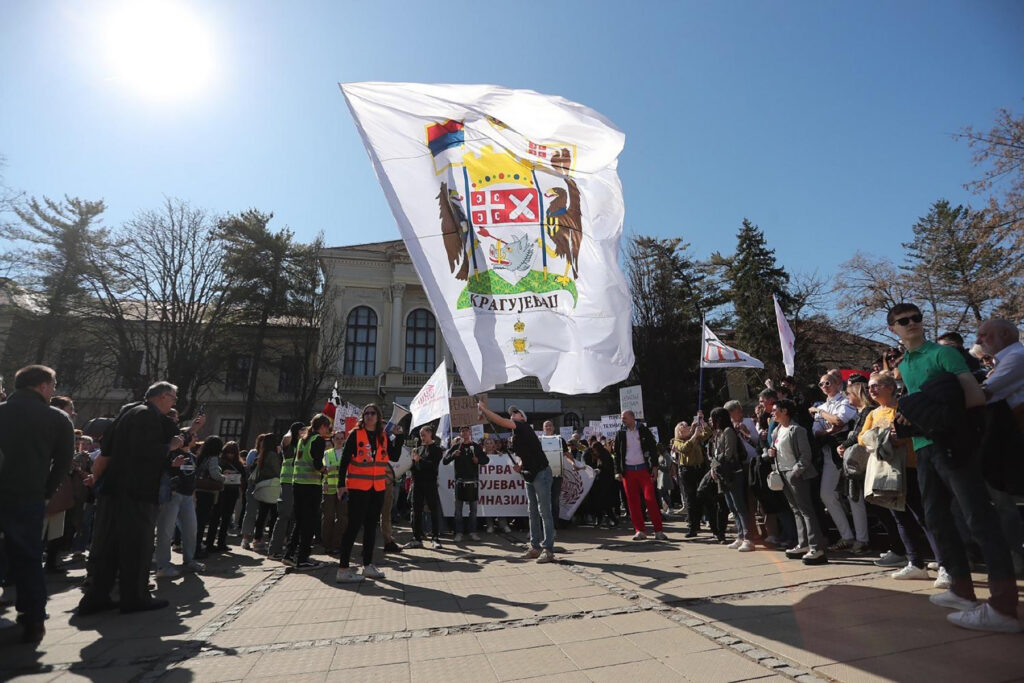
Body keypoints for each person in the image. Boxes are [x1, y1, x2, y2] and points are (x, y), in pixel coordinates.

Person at [888, 303, 1019, 632]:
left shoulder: (943, 355)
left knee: (979, 518)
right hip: (924, 446)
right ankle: (961, 590)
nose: (913, 323)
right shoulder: (905, 365)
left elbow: (973, 398)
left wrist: (917, 410)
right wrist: (907, 419)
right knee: (937, 518)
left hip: (953, 445)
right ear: (893, 329)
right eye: (904, 321)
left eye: (917, 318)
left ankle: (1004, 606)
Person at [78, 381, 184, 616]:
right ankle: (134, 597)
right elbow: (147, 452)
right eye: (174, 398)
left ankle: (96, 597)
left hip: (114, 491)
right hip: (136, 492)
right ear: (163, 397)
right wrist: (171, 445)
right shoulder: (147, 417)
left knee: (109, 546)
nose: (175, 402)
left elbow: (108, 449)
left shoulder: (128, 412)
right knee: (137, 546)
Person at [0, 365, 74, 642]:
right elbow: (63, 462)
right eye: (53, 384)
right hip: (28, 496)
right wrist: (46, 491)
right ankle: (32, 619)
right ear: (42, 386)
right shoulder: (56, 418)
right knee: (29, 557)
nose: (54, 389)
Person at [975, 318, 1024, 575]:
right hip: (1004, 438)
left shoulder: (1016, 356)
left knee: (1004, 502)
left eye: (984, 335)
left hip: (1013, 437)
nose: (978, 341)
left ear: (1005, 334)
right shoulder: (1004, 360)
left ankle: (1015, 560)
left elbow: (986, 393)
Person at [478, 402, 556, 563]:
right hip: (529, 474)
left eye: (516, 413)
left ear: (523, 418)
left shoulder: (523, 427)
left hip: (541, 473)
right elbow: (527, 454)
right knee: (532, 511)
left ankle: (548, 549)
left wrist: (485, 409)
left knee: (544, 512)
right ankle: (534, 547)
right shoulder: (516, 435)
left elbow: (500, 420)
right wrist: (520, 465)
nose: (512, 414)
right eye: (511, 413)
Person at [335, 404, 391, 583]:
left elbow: (394, 456)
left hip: (377, 488)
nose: (369, 416)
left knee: (371, 527)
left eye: (372, 413)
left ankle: (368, 566)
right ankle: (343, 569)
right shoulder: (355, 434)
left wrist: (400, 435)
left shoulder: (383, 437)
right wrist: (341, 484)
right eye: (366, 413)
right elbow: (344, 461)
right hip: (358, 488)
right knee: (353, 526)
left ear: (378, 416)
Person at [811, 372, 866, 553]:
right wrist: (831, 428)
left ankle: (861, 539)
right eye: (821, 384)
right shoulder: (826, 405)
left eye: (826, 383)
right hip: (829, 454)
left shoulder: (844, 401)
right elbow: (817, 431)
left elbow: (840, 421)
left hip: (846, 452)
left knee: (853, 496)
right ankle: (847, 535)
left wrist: (821, 413)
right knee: (826, 494)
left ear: (836, 384)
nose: (824, 387)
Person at [767, 399, 827, 565]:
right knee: (796, 510)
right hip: (783, 474)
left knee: (806, 510)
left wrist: (796, 472)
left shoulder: (797, 430)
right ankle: (804, 543)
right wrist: (770, 453)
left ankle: (816, 547)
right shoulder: (777, 431)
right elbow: (775, 451)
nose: (772, 413)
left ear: (785, 411)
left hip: (796, 475)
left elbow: (805, 456)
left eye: (775, 410)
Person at [154, 418, 207, 579]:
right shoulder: (171, 453)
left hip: (188, 496)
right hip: (173, 495)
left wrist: (194, 495)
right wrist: (172, 466)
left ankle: (189, 560)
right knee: (165, 531)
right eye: (193, 435)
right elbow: (161, 471)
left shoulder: (192, 456)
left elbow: (192, 478)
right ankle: (163, 565)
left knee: (191, 529)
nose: (196, 438)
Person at [284, 414, 331, 569]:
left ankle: (290, 554)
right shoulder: (317, 439)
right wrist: (325, 470)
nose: (328, 430)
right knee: (309, 522)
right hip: (311, 485)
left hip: (297, 484)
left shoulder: (303, 439)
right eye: (327, 427)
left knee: (300, 521)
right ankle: (303, 558)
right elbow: (317, 463)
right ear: (322, 426)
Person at [613, 410, 667, 541]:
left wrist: (654, 466)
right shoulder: (620, 433)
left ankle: (658, 530)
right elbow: (617, 453)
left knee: (650, 499)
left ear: (632, 417)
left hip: (644, 470)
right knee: (632, 502)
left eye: (624, 417)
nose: (622, 420)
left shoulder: (643, 430)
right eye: (622, 418)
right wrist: (617, 471)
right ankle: (639, 530)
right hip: (628, 471)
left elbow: (653, 448)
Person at [709, 407, 753, 551]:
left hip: (733, 472)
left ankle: (748, 537)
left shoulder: (728, 431)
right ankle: (740, 536)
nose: (711, 421)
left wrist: (715, 464)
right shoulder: (718, 433)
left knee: (740, 505)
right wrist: (714, 467)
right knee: (732, 507)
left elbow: (728, 454)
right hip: (724, 474)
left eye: (712, 418)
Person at [444, 426, 489, 541]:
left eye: (466, 430)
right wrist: (454, 455)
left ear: (470, 432)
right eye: (462, 431)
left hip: (473, 481)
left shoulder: (476, 446)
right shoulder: (456, 447)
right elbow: (445, 460)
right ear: (460, 433)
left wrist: (478, 461)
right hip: (459, 481)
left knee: (473, 510)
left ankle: (472, 532)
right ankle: (459, 532)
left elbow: (486, 460)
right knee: (458, 510)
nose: (464, 432)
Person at [405, 425, 445, 550]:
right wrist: (411, 462)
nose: (421, 437)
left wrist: (419, 460)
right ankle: (417, 538)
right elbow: (414, 467)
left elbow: (433, 467)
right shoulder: (418, 449)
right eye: (421, 435)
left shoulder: (437, 450)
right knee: (416, 511)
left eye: (424, 434)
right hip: (417, 484)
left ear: (430, 434)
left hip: (430, 483)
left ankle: (435, 538)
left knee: (433, 510)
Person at [241, 433, 282, 551]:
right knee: (265, 514)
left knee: (252, 512)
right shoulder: (273, 455)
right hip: (268, 486)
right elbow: (277, 471)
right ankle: (258, 540)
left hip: (255, 484)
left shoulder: (259, 454)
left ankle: (246, 538)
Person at [671, 415, 711, 538]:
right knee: (690, 499)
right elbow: (685, 449)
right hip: (687, 471)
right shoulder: (676, 441)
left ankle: (704, 520)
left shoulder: (696, 437)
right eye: (683, 426)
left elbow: (708, 434)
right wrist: (694, 435)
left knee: (702, 495)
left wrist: (702, 422)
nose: (687, 426)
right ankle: (692, 526)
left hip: (699, 469)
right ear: (679, 431)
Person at [268, 422, 304, 559]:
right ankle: (274, 550)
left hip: (298, 483)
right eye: (301, 430)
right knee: (284, 515)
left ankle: (288, 547)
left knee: (294, 517)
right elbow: (286, 438)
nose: (304, 432)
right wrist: (293, 430)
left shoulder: (302, 446)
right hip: (287, 483)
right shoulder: (289, 444)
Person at [207, 440, 246, 553]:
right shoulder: (220, 462)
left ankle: (221, 542)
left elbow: (243, 477)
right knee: (215, 517)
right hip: (221, 491)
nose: (230, 454)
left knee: (226, 518)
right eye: (228, 452)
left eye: (232, 452)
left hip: (232, 492)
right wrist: (225, 473)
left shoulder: (238, 464)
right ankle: (210, 542)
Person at [193, 437, 225, 560]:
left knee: (197, 521)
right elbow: (214, 474)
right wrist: (224, 478)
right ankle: (197, 549)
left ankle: (194, 547)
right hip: (207, 492)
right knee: (202, 522)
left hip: (198, 490)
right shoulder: (213, 459)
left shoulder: (201, 457)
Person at [321, 431, 348, 556]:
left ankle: (337, 544)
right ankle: (327, 545)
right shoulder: (327, 453)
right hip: (329, 489)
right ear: (332, 440)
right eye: (337, 438)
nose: (339, 440)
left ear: (344, 440)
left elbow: (348, 470)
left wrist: (335, 468)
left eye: (341, 438)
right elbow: (324, 470)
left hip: (344, 489)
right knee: (328, 517)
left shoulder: (347, 453)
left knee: (342, 518)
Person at [583, 437, 619, 527]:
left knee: (605, 503)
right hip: (601, 482)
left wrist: (599, 470)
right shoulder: (600, 456)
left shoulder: (605, 456)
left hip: (606, 482)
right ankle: (603, 519)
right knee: (600, 503)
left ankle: (611, 519)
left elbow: (607, 468)